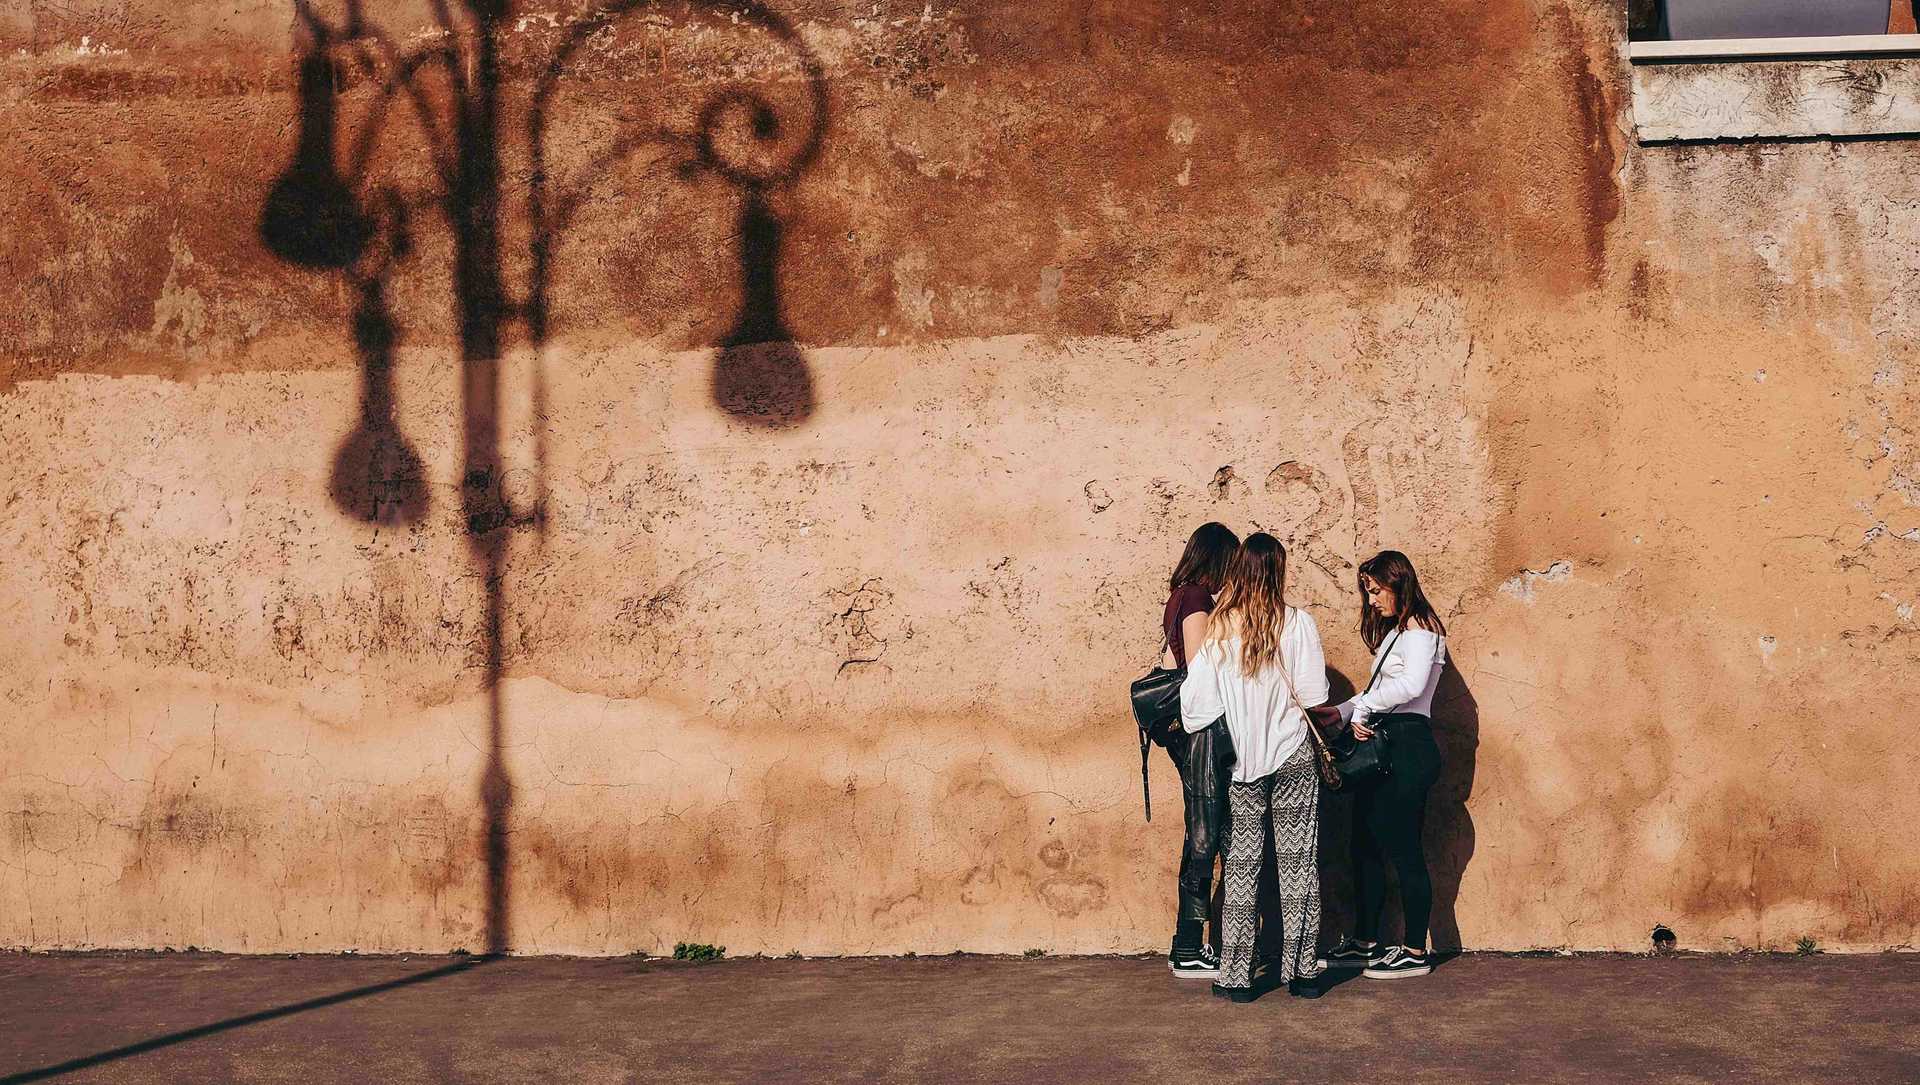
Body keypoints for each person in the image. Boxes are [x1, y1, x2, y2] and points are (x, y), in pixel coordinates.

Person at [1179, 533, 1330, 1001]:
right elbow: (1315, 695)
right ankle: (1302, 974)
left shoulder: (1221, 629)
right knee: (1299, 865)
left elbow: (1196, 708)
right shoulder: (1299, 623)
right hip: (1293, 758)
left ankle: (1237, 978)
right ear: (1278, 571)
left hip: (1244, 765)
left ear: (1240, 569)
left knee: (1243, 870)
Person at [1320, 550, 1448, 980]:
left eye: (1376, 590)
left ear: (1398, 582)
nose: (1371, 600)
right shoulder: (1398, 634)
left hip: (1408, 745)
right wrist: (1338, 713)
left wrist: (1363, 710)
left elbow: (1410, 687)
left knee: (1405, 848)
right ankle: (1365, 940)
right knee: (1364, 844)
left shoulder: (1421, 632)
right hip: (1386, 743)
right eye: (1368, 592)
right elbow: (1380, 691)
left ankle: (1414, 950)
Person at [1160, 522, 1239, 979]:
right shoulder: (1195, 599)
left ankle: (1190, 944)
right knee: (1205, 834)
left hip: (1189, 732)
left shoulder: (1178, 597)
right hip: (1200, 732)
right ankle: (1189, 946)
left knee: (1202, 830)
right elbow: (1196, 665)